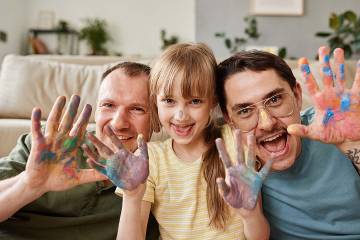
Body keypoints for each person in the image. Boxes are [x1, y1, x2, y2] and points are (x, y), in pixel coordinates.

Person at [85, 43, 271, 240]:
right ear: (155, 103)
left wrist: (250, 215)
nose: (181, 115)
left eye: (195, 101)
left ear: (213, 102)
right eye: (169, 101)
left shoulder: (236, 142)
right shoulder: (148, 159)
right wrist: (132, 197)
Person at [0, 62, 159, 239]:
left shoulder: (162, 173)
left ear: (157, 118)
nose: (118, 123)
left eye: (137, 109)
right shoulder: (49, 145)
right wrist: (29, 184)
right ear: (96, 110)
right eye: (108, 105)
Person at [216, 46, 360, 239]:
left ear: (297, 96)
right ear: (230, 119)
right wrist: (250, 215)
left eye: (275, 99)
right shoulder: (238, 171)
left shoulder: (336, 123)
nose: (267, 123)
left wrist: (352, 145)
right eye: (244, 111)